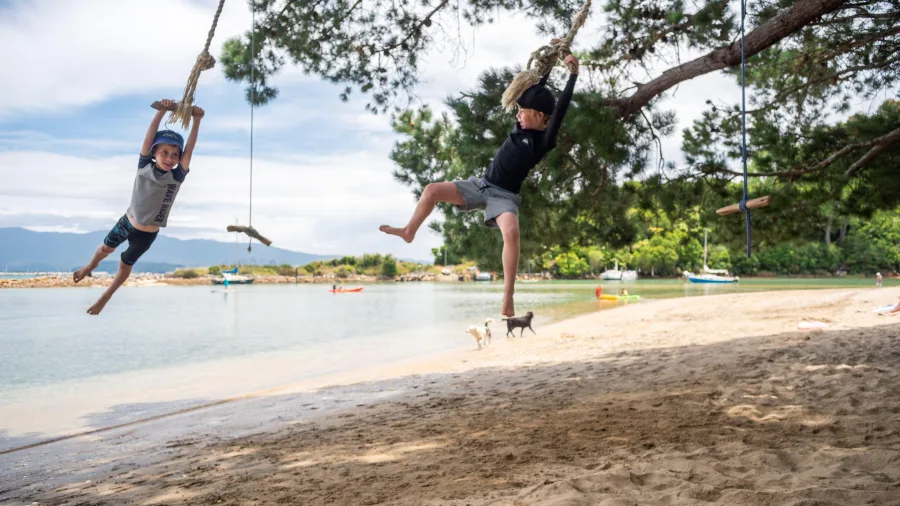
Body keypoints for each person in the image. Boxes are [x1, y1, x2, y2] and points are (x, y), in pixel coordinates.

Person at [379, 48, 579, 316]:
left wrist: (573, 73)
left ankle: (508, 297)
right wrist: (554, 60)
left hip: (504, 197)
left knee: (511, 233)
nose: (518, 114)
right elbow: (539, 90)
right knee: (431, 190)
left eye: (523, 111)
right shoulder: (524, 122)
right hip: (480, 185)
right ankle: (409, 231)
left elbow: (560, 107)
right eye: (518, 110)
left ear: (541, 116)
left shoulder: (544, 140)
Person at [73, 99, 204, 315]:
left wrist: (196, 121)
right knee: (105, 249)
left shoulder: (177, 175)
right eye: (164, 152)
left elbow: (190, 148)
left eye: (174, 155)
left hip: (147, 234)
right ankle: (90, 266)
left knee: (125, 265)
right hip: (127, 221)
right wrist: (160, 112)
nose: (170, 158)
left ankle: (105, 297)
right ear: (154, 153)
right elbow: (148, 136)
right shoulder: (144, 165)